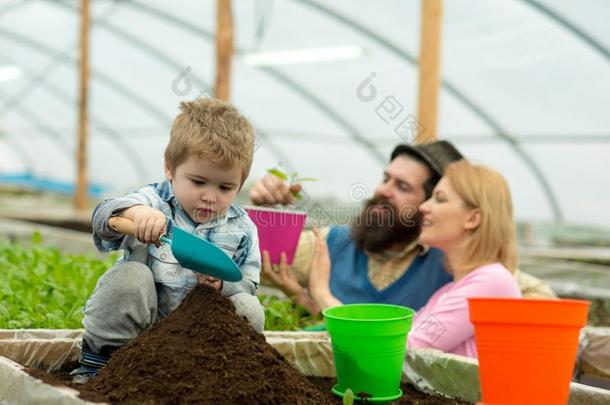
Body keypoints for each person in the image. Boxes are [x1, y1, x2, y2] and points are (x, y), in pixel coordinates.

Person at [71, 98, 264, 383]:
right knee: (130, 277)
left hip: (201, 345)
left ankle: (225, 379)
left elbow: (249, 280)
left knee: (249, 307)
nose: (210, 196)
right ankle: (101, 360)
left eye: (225, 187)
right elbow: (103, 217)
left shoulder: (242, 228)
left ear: (241, 182)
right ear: (169, 168)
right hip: (139, 337)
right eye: (198, 182)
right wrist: (136, 214)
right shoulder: (153, 202)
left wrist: (223, 285)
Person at [251, 142, 555, 314]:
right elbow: (248, 257)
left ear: (430, 203)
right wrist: (265, 216)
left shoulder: (454, 264)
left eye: (403, 186)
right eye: (386, 178)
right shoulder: (332, 243)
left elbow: (541, 300)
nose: (384, 190)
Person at [311, 160, 522, 358]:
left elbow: (396, 355)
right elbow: (395, 341)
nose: (423, 207)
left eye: (439, 199)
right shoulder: (448, 292)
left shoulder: (491, 282)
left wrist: (324, 297)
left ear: (473, 218)